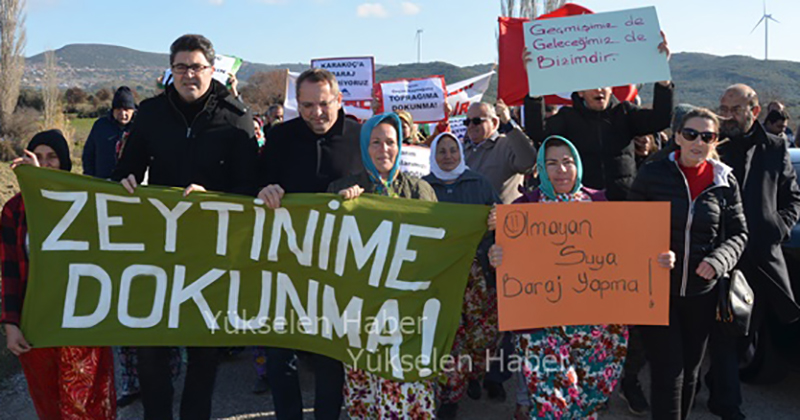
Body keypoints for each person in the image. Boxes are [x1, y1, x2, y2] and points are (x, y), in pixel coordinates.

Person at [111, 34, 258, 420]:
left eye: (196, 67)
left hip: (210, 250)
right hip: (157, 247)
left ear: (212, 69)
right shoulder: (152, 112)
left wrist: (212, 196)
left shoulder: (236, 115)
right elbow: (126, 168)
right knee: (151, 349)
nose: (188, 74)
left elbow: (250, 186)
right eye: (181, 67)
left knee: (204, 353)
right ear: (170, 70)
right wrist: (125, 179)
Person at [489, 135, 654, 419]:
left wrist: (657, 260)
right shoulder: (521, 209)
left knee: (588, 401)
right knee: (553, 405)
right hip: (540, 325)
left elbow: (629, 255)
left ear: (577, 165)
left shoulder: (601, 204)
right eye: (552, 163)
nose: (561, 170)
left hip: (597, 329)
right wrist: (497, 256)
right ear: (540, 168)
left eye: (567, 162)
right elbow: (506, 262)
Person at [629, 108, 748, 420]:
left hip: (702, 294)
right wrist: (652, 251)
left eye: (707, 136)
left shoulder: (725, 181)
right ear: (678, 136)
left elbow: (739, 234)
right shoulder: (653, 174)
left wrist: (718, 260)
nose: (699, 141)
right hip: (658, 292)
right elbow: (628, 227)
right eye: (691, 134)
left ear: (715, 141)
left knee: (691, 371)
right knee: (669, 372)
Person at [257, 68, 362, 420]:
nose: (316, 113)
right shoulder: (280, 137)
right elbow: (257, 182)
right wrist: (265, 188)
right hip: (285, 261)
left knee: (330, 354)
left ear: (340, 100)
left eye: (323, 104)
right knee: (279, 354)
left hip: (339, 265)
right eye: (306, 106)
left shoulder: (362, 138)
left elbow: (384, 187)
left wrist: (365, 194)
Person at [327, 112, 438, 419]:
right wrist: (340, 210)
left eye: (390, 142)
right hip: (361, 310)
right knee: (365, 389)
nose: (384, 149)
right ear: (364, 146)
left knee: (406, 387)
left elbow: (439, 242)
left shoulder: (420, 190)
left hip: (408, 309)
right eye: (375, 143)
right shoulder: (342, 187)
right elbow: (327, 248)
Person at [2, 129, 117, 419]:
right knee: (50, 405)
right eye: (37, 158)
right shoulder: (14, 210)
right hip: (37, 325)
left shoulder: (84, 201)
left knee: (88, 404)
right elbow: (10, 271)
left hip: (83, 323)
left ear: (64, 163)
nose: (45, 164)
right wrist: (10, 324)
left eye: (52, 158)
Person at [706, 84, 800, 420]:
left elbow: (792, 199)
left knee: (747, 332)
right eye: (723, 108)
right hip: (724, 257)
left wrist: (777, 228)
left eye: (734, 109)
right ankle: (728, 405)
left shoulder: (775, 148)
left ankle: (716, 381)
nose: (726, 116)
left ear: (754, 111)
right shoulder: (714, 147)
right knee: (727, 331)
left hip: (763, 259)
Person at [522, 35, 673, 201]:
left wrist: (663, 79)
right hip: (584, 202)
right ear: (580, 92)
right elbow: (538, 132)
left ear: (611, 89)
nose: (599, 90)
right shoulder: (568, 117)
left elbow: (661, 119)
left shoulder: (625, 113)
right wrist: (535, 83)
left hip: (625, 200)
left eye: (604, 85)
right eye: (592, 86)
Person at [422, 132, 501, 418]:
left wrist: (496, 220)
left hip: (477, 273)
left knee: (482, 334)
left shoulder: (479, 183)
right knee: (450, 335)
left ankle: (474, 375)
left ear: (461, 152)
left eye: (452, 150)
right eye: (441, 151)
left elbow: (501, 220)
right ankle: (451, 394)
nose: (447, 156)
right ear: (433, 154)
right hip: (442, 276)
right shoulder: (423, 188)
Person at [463, 100, 537, 205]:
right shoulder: (461, 150)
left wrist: (508, 122)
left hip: (503, 217)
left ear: (494, 122)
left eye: (476, 121)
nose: (470, 126)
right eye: (467, 122)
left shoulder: (508, 144)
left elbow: (528, 162)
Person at [83, 86, 136, 178]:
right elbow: (88, 154)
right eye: (119, 109)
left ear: (133, 110)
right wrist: (90, 177)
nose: (123, 114)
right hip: (102, 184)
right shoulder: (100, 126)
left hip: (132, 187)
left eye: (126, 110)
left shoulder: (140, 128)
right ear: (113, 110)